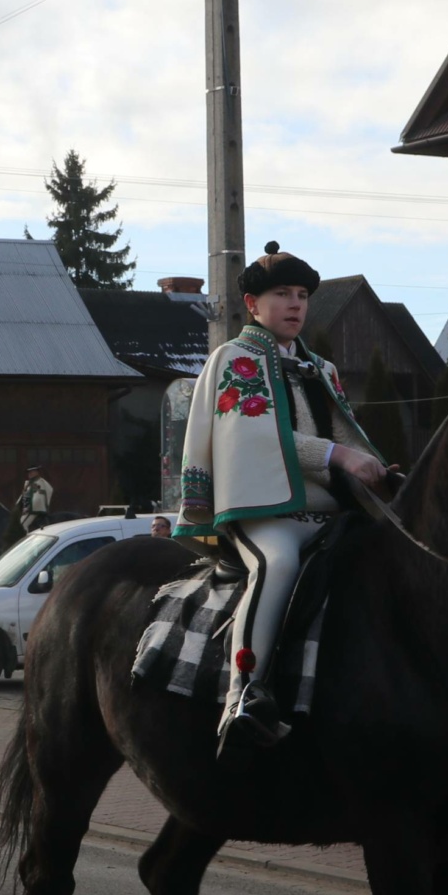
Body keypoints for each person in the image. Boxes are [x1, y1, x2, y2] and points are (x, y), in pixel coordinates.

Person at [178, 243, 391, 755]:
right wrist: (338, 456)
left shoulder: (322, 368)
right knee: (277, 563)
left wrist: (378, 469)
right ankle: (243, 694)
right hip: (265, 510)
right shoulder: (235, 359)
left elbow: (347, 433)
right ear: (252, 304)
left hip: (331, 510)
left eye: (302, 295)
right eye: (282, 294)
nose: (295, 304)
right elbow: (252, 436)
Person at [14, 464, 54, 534]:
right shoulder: (29, 483)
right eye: (29, 472)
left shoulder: (39, 482)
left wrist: (29, 507)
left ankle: (25, 539)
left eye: (31, 472)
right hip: (28, 507)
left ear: (36, 472)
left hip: (33, 509)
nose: (29, 474)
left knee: (22, 524)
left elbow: (39, 495)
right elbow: (25, 495)